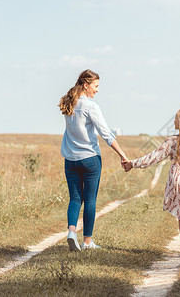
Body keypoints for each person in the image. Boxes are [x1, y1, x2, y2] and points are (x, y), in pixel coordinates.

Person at [123, 107, 180, 257]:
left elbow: (153, 157)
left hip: (176, 179)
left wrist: (133, 163)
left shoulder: (172, 141)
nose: (174, 121)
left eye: (176, 119)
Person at [59, 69, 128, 252]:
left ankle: (71, 232)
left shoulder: (69, 104)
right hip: (90, 159)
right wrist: (122, 155)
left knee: (75, 198)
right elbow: (106, 134)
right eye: (95, 86)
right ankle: (87, 242)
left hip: (70, 159)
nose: (97, 90)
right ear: (85, 85)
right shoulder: (90, 107)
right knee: (90, 200)